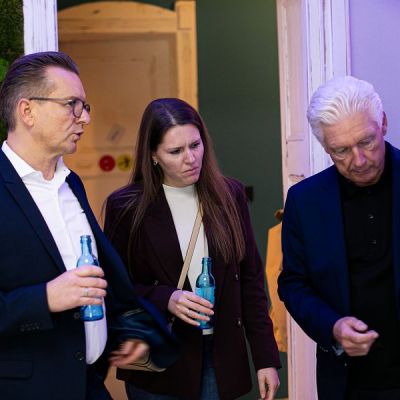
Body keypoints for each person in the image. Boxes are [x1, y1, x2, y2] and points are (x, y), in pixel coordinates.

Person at [0, 51, 178, 400]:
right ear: (27, 111)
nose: (85, 118)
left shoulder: (71, 184)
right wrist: (45, 298)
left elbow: (99, 278)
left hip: (90, 385)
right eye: (72, 105)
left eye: (85, 106)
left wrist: (127, 329)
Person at [104, 98, 281, 400]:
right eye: (175, 151)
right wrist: (166, 298)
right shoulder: (126, 207)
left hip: (220, 356)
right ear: (153, 155)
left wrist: (265, 358)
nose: (191, 158)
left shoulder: (230, 195)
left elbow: (250, 282)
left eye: (195, 145)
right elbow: (115, 287)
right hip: (161, 363)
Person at [278, 75, 400, 400]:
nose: (358, 161)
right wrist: (332, 326)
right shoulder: (305, 201)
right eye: (341, 150)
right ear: (325, 147)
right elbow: (293, 283)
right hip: (347, 384)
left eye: (367, 142)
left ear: (383, 123)